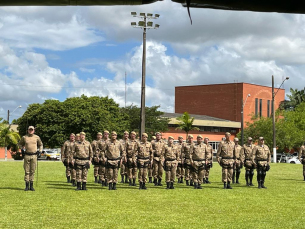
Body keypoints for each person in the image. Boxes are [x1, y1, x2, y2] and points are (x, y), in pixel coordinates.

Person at [19, 126, 43, 191]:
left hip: (34, 156)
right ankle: (26, 186)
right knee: (27, 171)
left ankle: (31, 186)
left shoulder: (37, 137)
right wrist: (22, 149)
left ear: (34, 130)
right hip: (27, 155)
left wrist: (40, 151)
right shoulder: (24, 137)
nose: (30, 131)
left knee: (32, 170)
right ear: (27, 130)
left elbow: (41, 144)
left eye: (32, 130)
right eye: (29, 129)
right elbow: (20, 144)